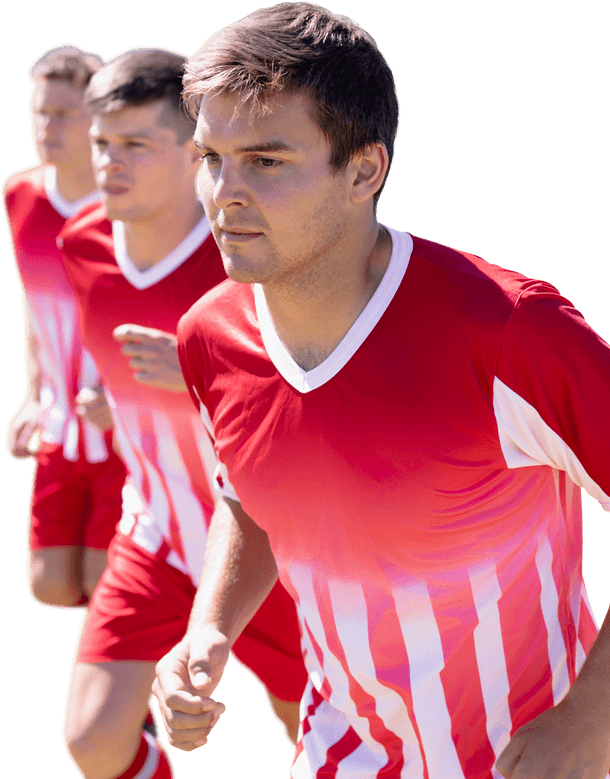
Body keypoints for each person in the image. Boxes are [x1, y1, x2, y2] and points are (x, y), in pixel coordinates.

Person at [151, 4, 610, 778]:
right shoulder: (208, 338)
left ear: (365, 170)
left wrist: (593, 713)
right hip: (340, 750)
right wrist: (209, 628)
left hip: (523, 759)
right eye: (212, 158)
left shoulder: (509, 330)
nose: (224, 192)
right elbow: (254, 496)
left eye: (267, 161)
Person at [56, 47, 306, 779]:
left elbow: (315, 402)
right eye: (101, 144)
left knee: (312, 735)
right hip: (157, 539)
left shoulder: (254, 260)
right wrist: (106, 406)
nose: (109, 164)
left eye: (135, 145)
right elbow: (115, 375)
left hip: (260, 556)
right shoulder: (82, 248)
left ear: (195, 153)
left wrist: (196, 380)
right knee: (93, 740)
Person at [2, 43, 127, 610]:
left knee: (112, 589)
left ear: (98, 119)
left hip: (125, 433)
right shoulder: (18, 194)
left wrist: (125, 395)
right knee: (50, 587)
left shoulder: (134, 205)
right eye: (38, 112)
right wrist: (32, 396)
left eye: (62, 114)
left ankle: (130, 692)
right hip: (60, 428)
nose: (46, 126)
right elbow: (34, 302)